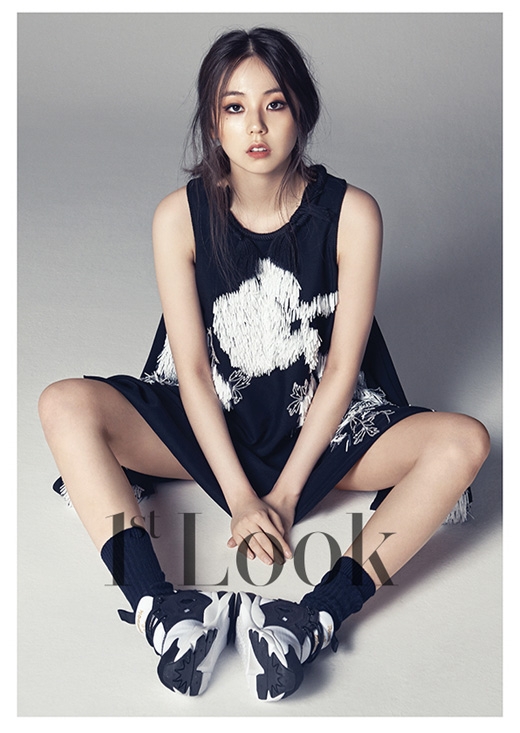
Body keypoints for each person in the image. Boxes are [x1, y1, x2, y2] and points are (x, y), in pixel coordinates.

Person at [38, 26, 490, 702]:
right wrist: (241, 497)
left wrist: (282, 497)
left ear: (300, 111)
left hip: (324, 433)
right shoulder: (178, 218)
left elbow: (341, 370)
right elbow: (193, 373)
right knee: (62, 403)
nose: (255, 126)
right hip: (209, 426)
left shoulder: (352, 214)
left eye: (273, 104)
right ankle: (162, 611)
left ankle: (311, 619)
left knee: (464, 443)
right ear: (211, 122)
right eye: (234, 107)